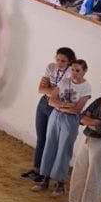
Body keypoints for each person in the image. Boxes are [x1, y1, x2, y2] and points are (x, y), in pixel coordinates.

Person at [39, 57, 92, 193]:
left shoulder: (86, 87)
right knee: (50, 145)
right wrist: (65, 105)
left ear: (84, 71)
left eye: (78, 70)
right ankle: (45, 179)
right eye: (73, 69)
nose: (74, 72)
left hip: (71, 120)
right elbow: (51, 100)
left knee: (64, 149)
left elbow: (77, 109)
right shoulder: (65, 80)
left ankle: (60, 183)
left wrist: (60, 105)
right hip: (56, 116)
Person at [29, 46, 78, 181]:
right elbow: (40, 89)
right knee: (41, 138)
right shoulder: (51, 67)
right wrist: (54, 91)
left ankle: (46, 173)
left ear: (69, 62)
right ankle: (37, 169)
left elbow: (63, 95)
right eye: (57, 59)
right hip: (44, 103)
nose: (59, 63)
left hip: (56, 108)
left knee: (51, 140)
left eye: (63, 61)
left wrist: (50, 90)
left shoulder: (70, 73)